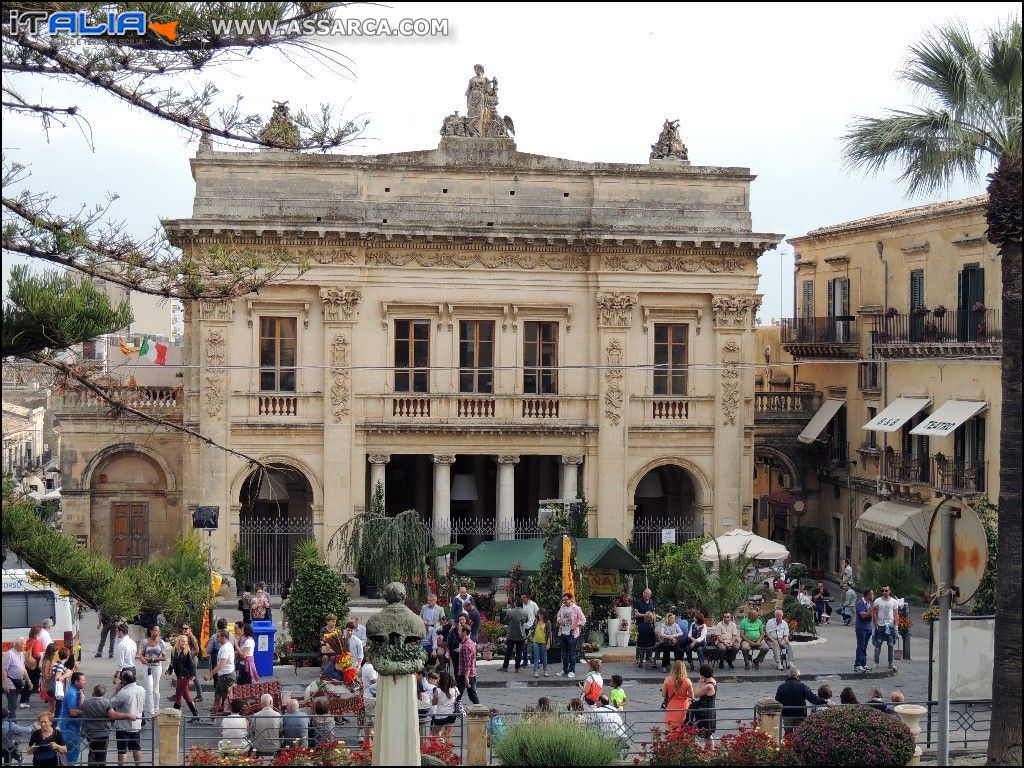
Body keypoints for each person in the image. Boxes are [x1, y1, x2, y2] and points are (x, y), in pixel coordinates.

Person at [108, 670, 146, 766]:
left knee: (122, 751)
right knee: (136, 748)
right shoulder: (142, 689)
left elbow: (110, 703)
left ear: (124, 680)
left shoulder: (124, 692)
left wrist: (116, 690)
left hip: (123, 725)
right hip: (137, 723)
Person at [776, 667, 828, 733]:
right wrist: (825, 701)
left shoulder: (781, 687)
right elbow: (812, 698)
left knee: (788, 735)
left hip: (787, 715)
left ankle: (788, 743)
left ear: (789, 675)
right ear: (798, 676)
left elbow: (777, 701)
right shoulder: (802, 686)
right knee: (799, 734)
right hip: (800, 715)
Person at [78, 683, 113, 767]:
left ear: (94, 692)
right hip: (103, 733)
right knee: (101, 756)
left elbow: (81, 707)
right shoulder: (106, 702)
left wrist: (82, 698)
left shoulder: (86, 703)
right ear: (104, 693)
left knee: (92, 753)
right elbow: (112, 715)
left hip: (90, 733)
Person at [137, 624, 167, 719]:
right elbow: (141, 654)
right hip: (147, 667)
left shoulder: (161, 642)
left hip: (157, 667)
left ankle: (157, 709)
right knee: (149, 689)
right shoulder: (145, 642)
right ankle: (151, 711)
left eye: (158, 631)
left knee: (155, 689)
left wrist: (153, 659)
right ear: (151, 631)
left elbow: (164, 657)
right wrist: (143, 659)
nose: (157, 632)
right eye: (155, 630)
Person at [166, 635, 199, 719]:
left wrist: (192, 678)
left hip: (185, 676)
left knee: (178, 696)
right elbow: (172, 663)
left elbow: (191, 666)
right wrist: (169, 671)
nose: (185, 643)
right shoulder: (175, 651)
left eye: (186, 641)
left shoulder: (187, 652)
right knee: (186, 696)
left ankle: (175, 716)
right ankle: (195, 714)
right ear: (179, 642)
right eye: (183, 641)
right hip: (179, 676)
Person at [555, 593, 586, 679]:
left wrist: (575, 626)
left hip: (572, 634)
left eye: (566, 599)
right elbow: (558, 616)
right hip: (562, 632)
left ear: (570, 599)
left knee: (572, 653)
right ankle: (565, 670)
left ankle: (572, 670)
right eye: (563, 599)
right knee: (564, 653)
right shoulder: (562, 607)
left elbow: (583, 619)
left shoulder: (576, 608)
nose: (564, 601)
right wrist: (559, 620)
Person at [204, 630, 235, 717]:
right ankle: (214, 713)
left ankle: (228, 718)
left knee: (226, 699)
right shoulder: (225, 645)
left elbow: (222, 664)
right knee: (217, 695)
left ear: (223, 638)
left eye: (218, 637)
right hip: (223, 675)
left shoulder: (225, 648)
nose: (216, 638)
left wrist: (210, 674)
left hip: (226, 676)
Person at [57, 671, 85, 763]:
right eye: (83, 680)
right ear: (76, 682)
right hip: (70, 729)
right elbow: (73, 712)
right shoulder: (72, 694)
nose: (85, 682)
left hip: (73, 728)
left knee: (73, 754)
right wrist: (87, 711)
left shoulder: (76, 691)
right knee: (71, 755)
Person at [689, 663, 717, 749]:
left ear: (702, 674)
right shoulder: (713, 681)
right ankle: (709, 752)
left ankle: (709, 752)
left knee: (707, 735)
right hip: (710, 710)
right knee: (708, 734)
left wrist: (700, 683)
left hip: (705, 712)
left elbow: (696, 694)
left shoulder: (708, 686)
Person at [872, 586, 899, 671]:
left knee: (890, 645)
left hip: (890, 625)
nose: (884, 592)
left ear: (890, 591)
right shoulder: (877, 601)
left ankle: (891, 663)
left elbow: (896, 614)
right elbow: (875, 613)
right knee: (878, 644)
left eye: (886, 590)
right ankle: (876, 662)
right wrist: (875, 624)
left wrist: (896, 626)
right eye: (883, 591)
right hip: (880, 625)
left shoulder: (894, 601)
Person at [429, 670, 459, 740]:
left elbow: (434, 704)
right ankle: (447, 748)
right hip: (451, 715)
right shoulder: (455, 689)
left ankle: (436, 749)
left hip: (440, 715)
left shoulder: (438, 691)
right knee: (447, 734)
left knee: (435, 733)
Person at [250, 693, 282, 758]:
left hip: (259, 747)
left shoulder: (256, 716)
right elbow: (281, 730)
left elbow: (251, 731)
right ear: (271, 702)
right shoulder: (278, 715)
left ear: (261, 703)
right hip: (274, 747)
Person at [661, 660, 693, 726]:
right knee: (682, 727)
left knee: (671, 728)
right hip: (683, 705)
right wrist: (684, 693)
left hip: (671, 705)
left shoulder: (667, 679)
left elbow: (663, 694)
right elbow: (692, 696)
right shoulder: (687, 680)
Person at [500, 601, 528, 673]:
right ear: (522, 605)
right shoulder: (525, 613)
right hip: (521, 635)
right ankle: (517, 668)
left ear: (515, 605)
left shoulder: (510, 612)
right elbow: (526, 621)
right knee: (519, 652)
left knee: (509, 651)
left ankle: (505, 666)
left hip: (511, 635)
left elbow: (505, 620)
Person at [2, 639, 27, 718]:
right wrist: (6, 683)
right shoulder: (9, 654)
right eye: (23, 644)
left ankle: (12, 723)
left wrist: (29, 681)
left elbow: (23, 669)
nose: (25, 646)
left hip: (18, 682)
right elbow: (4, 669)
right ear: (17, 644)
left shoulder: (21, 654)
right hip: (10, 682)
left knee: (14, 704)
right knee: (12, 704)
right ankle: (12, 724)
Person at [853, 588, 875, 673]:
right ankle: (857, 665)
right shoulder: (860, 603)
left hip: (868, 627)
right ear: (867, 595)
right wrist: (872, 609)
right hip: (861, 628)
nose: (873, 596)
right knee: (860, 646)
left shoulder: (869, 604)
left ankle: (863, 664)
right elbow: (863, 615)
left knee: (865, 647)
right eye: (872, 594)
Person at [457, 624, 479, 705]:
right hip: (471, 673)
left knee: (459, 694)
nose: (458, 632)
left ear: (464, 632)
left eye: (460, 630)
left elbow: (467, 664)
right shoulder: (471, 642)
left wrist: (466, 677)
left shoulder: (465, 646)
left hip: (465, 674)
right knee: (471, 694)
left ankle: (480, 711)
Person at [22, 626, 44, 708]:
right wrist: (42, 655)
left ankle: (24, 700)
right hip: (34, 665)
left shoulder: (28, 641)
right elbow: (36, 654)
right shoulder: (36, 641)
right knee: (32, 683)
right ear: (37, 633)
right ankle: (24, 700)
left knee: (29, 682)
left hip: (29, 664)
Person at [529, 609, 552, 678]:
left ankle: (545, 670)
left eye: (541, 614)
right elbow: (532, 629)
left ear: (544, 615)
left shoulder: (547, 622)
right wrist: (530, 635)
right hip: (535, 641)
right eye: (539, 614)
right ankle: (535, 671)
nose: (540, 615)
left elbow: (549, 633)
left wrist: (548, 643)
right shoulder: (536, 621)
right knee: (536, 656)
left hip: (543, 642)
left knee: (544, 657)